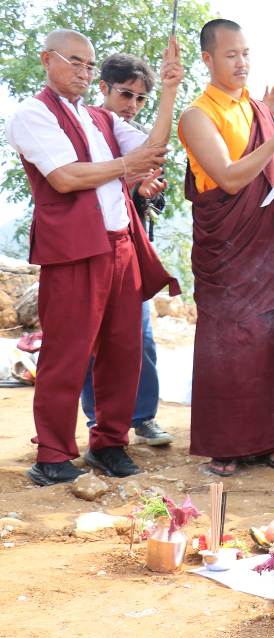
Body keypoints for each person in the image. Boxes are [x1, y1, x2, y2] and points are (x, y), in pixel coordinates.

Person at [6, 29, 181, 486]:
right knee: (67, 351)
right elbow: (65, 177)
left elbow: (152, 150)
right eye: (75, 62)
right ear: (47, 59)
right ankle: (53, 453)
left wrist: (168, 92)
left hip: (120, 242)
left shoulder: (99, 119)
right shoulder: (32, 113)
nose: (84, 72)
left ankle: (109, 444)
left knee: (124, 351)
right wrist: (127, 167)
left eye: (89, 64)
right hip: (74, 248)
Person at [178, 19, 274, 477]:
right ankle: (227, 445)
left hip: (268, 242)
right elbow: (231, 178)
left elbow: (263, 174)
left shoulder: (257, 108)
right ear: (208, 59)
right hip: (228, 250)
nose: (241, 63)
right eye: (231, 54)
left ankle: (272, 442)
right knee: (231, 346)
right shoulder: (197, 115)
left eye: (246, 53)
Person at [78, 52, 173, 448]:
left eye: (139, 98)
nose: (132, 105)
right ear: (103, 88)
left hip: (128, 251)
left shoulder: (129, 133)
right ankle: (97, 417)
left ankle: (142, 416)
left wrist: (142, 191)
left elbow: (140, 187)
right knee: (90, 339)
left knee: (140, 337)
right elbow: (78, 183)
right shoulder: (83, 127)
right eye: (125, 94)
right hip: (88, 248)